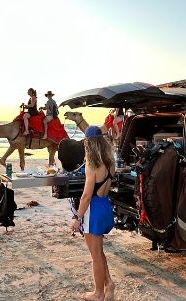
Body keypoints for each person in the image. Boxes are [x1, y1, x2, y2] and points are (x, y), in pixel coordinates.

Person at [70, 126, 115, 301]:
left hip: (93, 210)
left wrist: (77, 217)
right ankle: (108, 283)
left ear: (88, 143)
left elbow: (86, 196)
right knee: (99, 251)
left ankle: (98, 293)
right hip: (105, 205)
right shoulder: (110, 162)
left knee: (95, 254)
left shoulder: (92, 164)